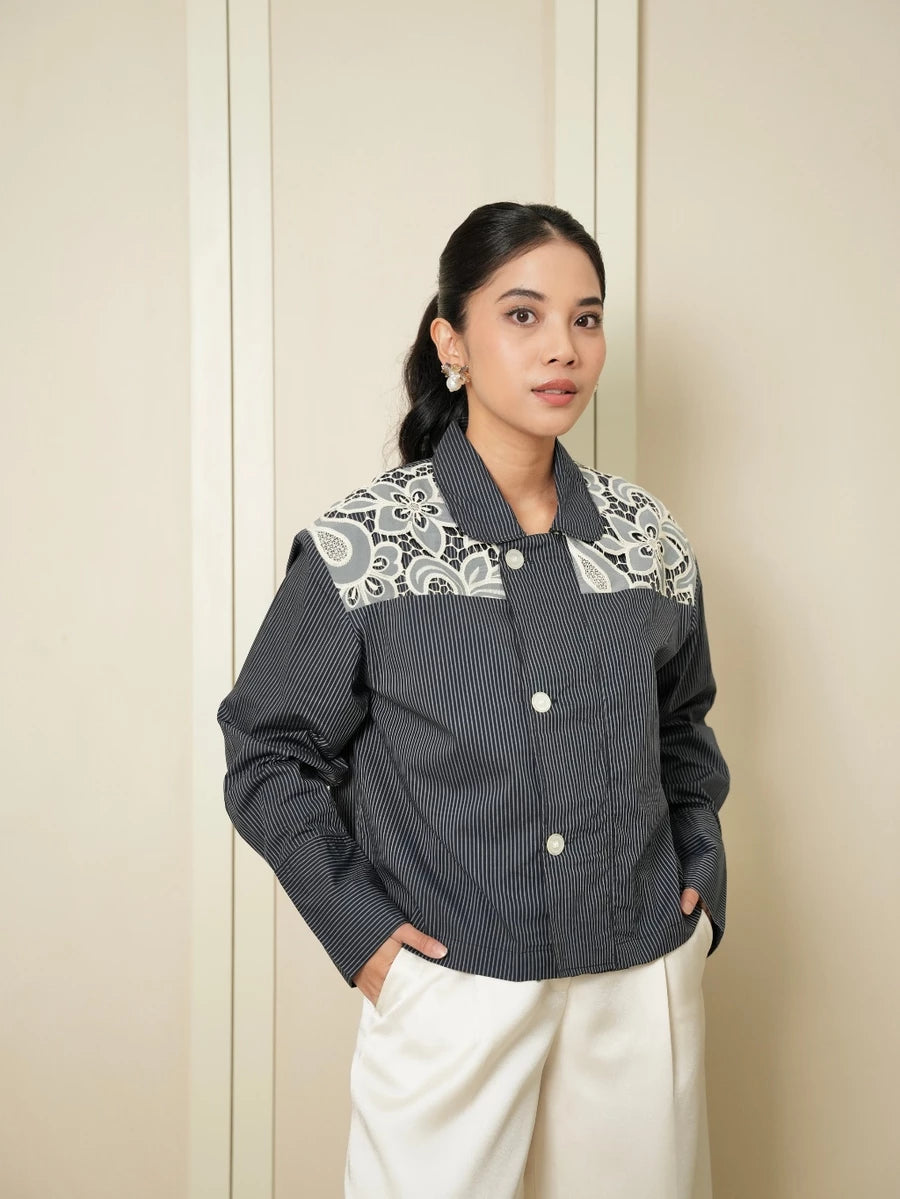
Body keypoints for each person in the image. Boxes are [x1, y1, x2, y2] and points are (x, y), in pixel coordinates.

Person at [217, 200, 730, 1199]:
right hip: (452, 984)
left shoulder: (647, 537)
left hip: (640, 973)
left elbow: (682, 730)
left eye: (587, 318)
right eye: (524, 314)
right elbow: (269, 750)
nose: (563, 348)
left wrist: (701, 878)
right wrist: (362, 935)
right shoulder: (365, 542)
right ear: (451, 339)